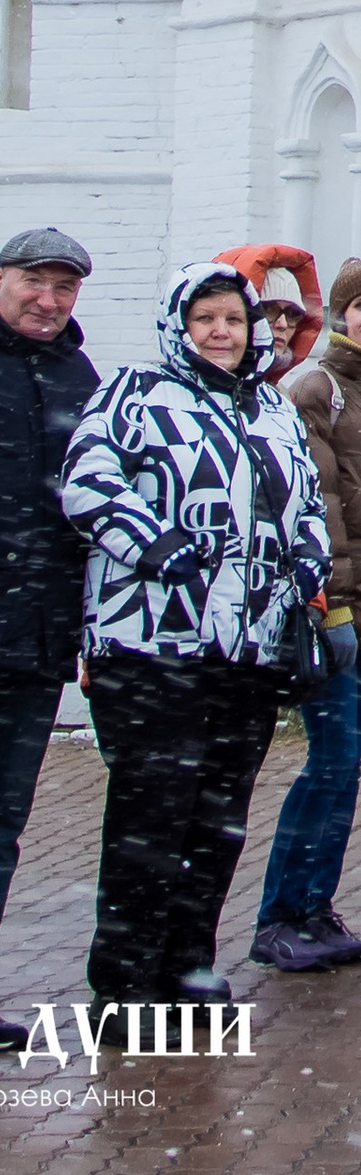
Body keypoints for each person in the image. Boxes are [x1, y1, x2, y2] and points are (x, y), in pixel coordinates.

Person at [61, 261, 330, 1008]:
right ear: (179, 326)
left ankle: (187, 969)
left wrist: (311, 556)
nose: (221, 332)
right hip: (151, 646)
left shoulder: (271, 409)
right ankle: (124, 986)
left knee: (217, 821)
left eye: (234, 321)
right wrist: (148, 540)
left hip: (244, 648)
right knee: (152, 816)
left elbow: (305, 500)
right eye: (205, 318)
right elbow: (86, 479)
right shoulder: (134, 395)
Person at [252, 258, 361, 971]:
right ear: (343, 318)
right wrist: (337, 607)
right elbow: (320, 509)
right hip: (337, 616)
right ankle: (280, 915)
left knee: (344, 769)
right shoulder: (316, 390)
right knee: (327, 768)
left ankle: (315, 908)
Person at [0, 224, 96, 1044]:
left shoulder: (79, 374)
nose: (49, 300)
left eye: (64, 288)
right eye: (35, 281)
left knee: (3, 822)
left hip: (34, 642)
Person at [217, 242, 324, 386]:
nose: (283, 324)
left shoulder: (281, 399)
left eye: (293, 314)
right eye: (269, 309)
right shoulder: (198, 393)